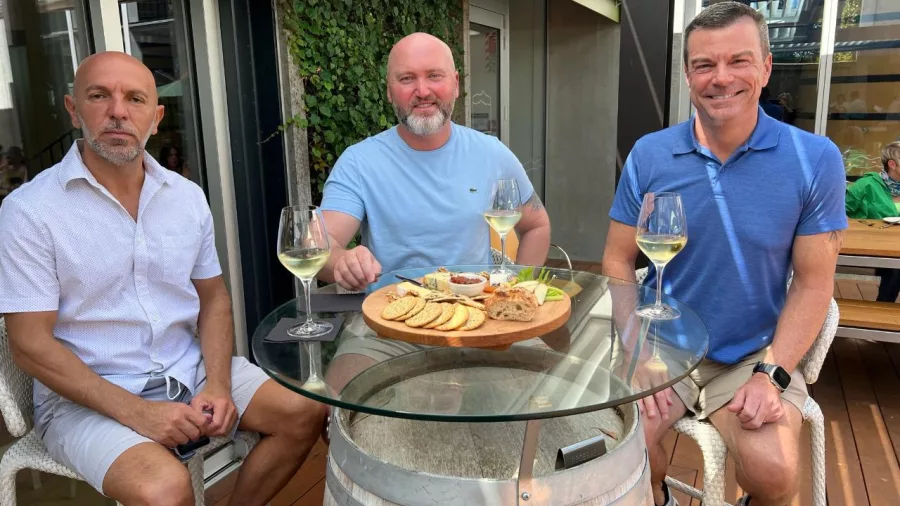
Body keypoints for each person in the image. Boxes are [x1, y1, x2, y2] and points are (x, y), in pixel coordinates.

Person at [0, 52, 326, 506]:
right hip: (85, 396)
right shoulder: (30, 212)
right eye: (99, 96)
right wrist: (139, 413)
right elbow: (28, 343)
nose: (118, 111)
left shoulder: (186, 198)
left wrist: (216, 383)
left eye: (134, 99)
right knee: (165, 489)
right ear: (74, 109)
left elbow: (213, 300)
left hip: (187, 368)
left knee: (305, 412)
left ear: (155, 118)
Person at [601, 3, 846, 506]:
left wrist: (772, 373)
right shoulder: (650, 154)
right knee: (622, 457)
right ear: (688, 74)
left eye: (739, 61)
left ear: (766, 67)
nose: (721, 78)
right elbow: (617, 260)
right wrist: (638, 350)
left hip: (755, 352)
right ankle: (659, 497)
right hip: (664, 348)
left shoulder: (814, 159)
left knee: (774, 473)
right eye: (704, 65)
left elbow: (814, 282)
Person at [318, 32, 551, 291]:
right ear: (389, 92)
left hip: (475, 320)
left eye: (434, 75)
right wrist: (342, 260)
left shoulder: (492, 154)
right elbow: (321, 244)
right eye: (407, 78)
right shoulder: (359, 162)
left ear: (456, 83)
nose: (422, 90)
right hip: (392, 320)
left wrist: (517, 291)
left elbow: (536, 226)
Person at [845, 141, 900, 302]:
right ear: (892, 164)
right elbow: (838, 209)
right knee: (897, 270)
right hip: (875, 244)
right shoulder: (867, 185)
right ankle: (884, 305)